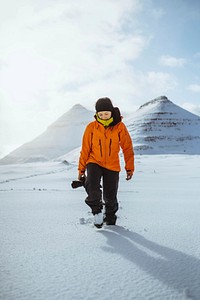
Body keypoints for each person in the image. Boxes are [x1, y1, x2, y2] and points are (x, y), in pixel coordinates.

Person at [78, 97, 134, 228]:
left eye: (106, 114)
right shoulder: (91, 127)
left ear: (111, 112)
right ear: (96, 114)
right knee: (92, 185)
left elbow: (127, 148)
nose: (103, 117)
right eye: (100, 114)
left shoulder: (119, 126)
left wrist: (129, 168)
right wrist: (81, 170)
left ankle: (110, 218)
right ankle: (97, 212)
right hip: (94, 161)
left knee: (110, 196)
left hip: (112, 165)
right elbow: (85, 149)